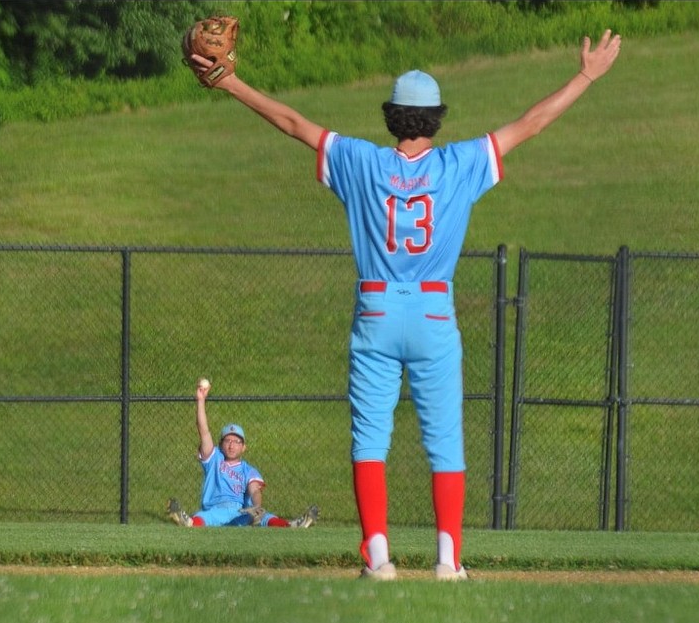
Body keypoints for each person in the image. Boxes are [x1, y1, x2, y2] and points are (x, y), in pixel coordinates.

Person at [183, 29, 622, 579]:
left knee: (370, 439)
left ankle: (380, 558)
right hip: (434, 312)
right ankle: (447, 560)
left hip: (377, 310)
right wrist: (586, 75)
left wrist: (229, 81)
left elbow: (293, 122)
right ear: (436, 118)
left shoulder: (360, 162)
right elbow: (530, 124)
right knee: (445, 441)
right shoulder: (460, 164)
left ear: (391, 116)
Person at [167, 379, 320, 530]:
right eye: (227, 440)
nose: (232, 445)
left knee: (265, 516)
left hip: (241, 512)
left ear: (244, 447)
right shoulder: (214, 458)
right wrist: (200, 400)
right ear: (221, 444)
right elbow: (204, 431)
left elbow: (254, 489)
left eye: (237, 441)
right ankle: (189, 522)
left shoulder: (248, 470)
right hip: (216, 508)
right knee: (206, 516)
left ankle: (291, 526)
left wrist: (257, 508)